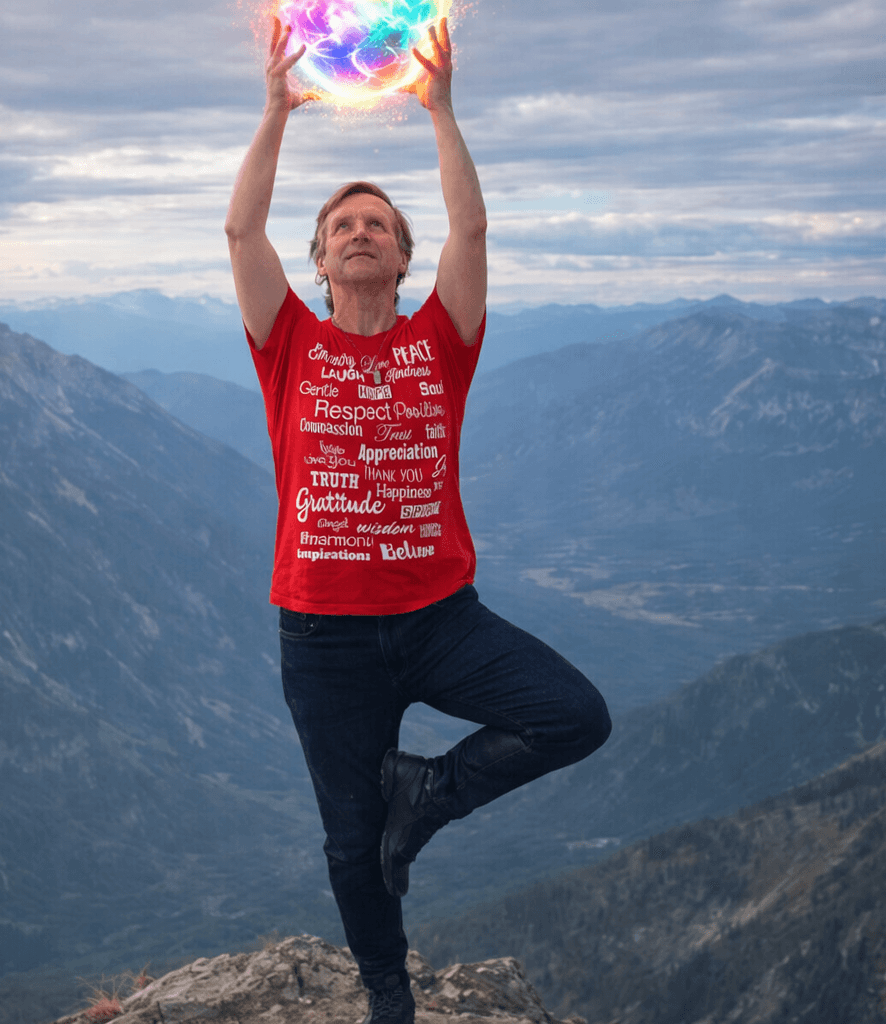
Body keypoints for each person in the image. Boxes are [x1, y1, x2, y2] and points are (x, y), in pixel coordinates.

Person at [224, 18, 611, 1024]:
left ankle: (430, 792)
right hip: (323, 638)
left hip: (440, 617)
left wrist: (440, 110)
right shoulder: (288, 343)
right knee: (352, 841)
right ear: (319, 260)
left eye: (379, 226)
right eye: (341, 226)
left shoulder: (441, 339)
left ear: (403, 259)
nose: (360, 232)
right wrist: (275, 110)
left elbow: (471, 234)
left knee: (574, 715)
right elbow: (240, 234)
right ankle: (388, 992)